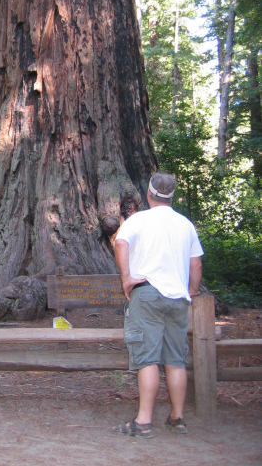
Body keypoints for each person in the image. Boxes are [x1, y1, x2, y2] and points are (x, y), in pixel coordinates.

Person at [112, 173, 203, 438]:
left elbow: (120, 242)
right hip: (177, 299)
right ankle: (178, 418)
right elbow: (195, 263)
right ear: (172, 196)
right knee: (176, 359)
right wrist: (192, 290)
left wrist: (126, 278)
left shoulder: (139, 219)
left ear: (149, 194)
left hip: (147, 294)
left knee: (147, 358)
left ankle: (143, 422)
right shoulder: (185, 224)